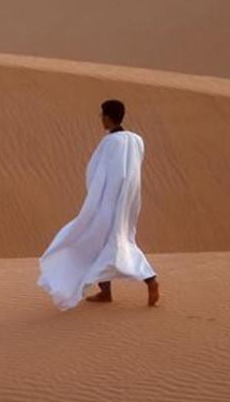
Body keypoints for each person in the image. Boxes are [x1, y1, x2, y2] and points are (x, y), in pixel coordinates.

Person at [37, 99, 159, 310]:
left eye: (102, 115)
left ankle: (148, 280)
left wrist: (95, 200)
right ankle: (112, 289)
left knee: (103, 240)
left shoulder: (110, 142)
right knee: (116, 241)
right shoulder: (136, 139)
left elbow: (99, 173)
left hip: (108, 201)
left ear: (109, 117)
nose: (100, 119)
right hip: (129, 201)